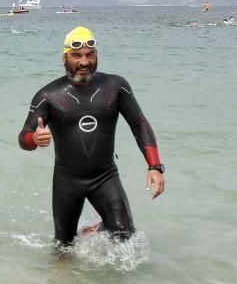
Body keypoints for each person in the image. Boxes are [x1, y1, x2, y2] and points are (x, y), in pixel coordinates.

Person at [18, 26, 165, 247]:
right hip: (67, 181)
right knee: (63, 247)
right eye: (77, 55)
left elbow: (139, 123)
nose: (84, 62)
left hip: (104, 176)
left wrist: (154, 166)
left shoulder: (116, 87)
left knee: (125, 236)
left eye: (90, 55)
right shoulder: (48, 96)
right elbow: (23, 138)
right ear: (64, 58)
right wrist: (35, 139)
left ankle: (101, 229)